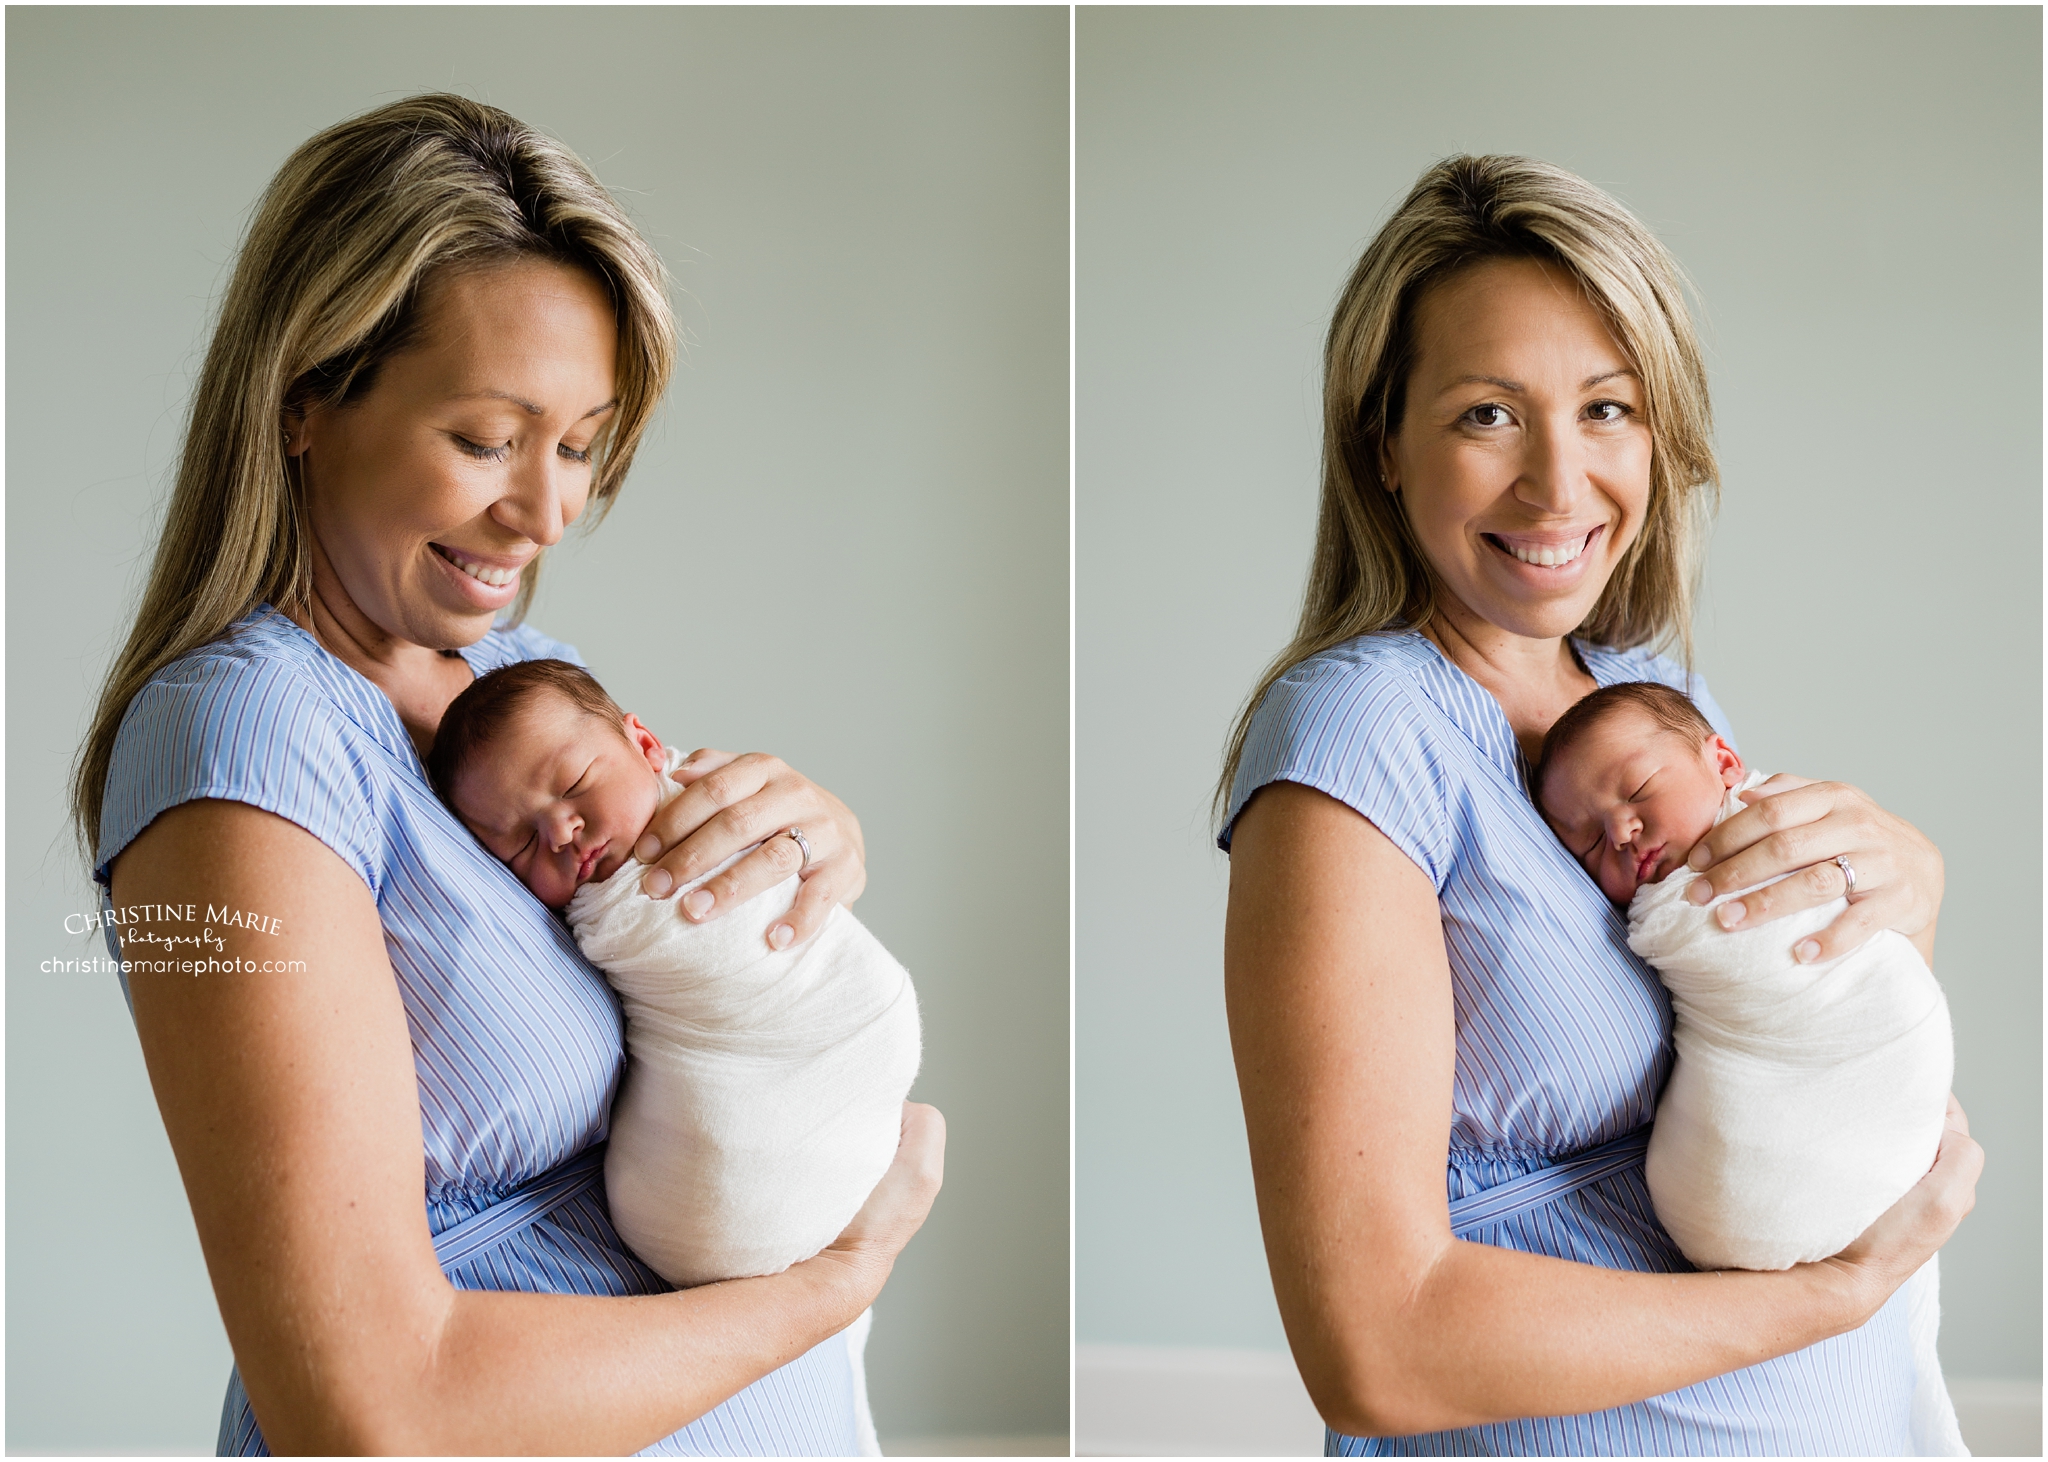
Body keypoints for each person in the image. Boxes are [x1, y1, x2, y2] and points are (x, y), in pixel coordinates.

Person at [73, 94, 943, 1456]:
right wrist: (831, 1285)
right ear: (307, 401)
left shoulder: (514, 674)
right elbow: (368, 1402)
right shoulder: (239, 748)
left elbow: (680, 980)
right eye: (488, 438)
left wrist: (806, 851)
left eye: (581, 445)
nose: (544, 513)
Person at [1217, 154, 1981, 1455]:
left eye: (1608, 408)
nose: (1560, 486)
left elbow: (1787, 1029)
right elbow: (1378, 1349)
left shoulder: (1652, 690)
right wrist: (1831, 1298)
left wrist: (1908, 896)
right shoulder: (1356, 740)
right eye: (1487, 415)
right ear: (1382, 442)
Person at [427, 657, 922, 1293]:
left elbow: (805, 854)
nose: (558, 832)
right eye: (518, 845)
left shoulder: (574, 703)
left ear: (648, 745)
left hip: (834, 1039)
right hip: (704, 1204)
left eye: (575, 784)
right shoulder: (613, 907)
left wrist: (836, 831)